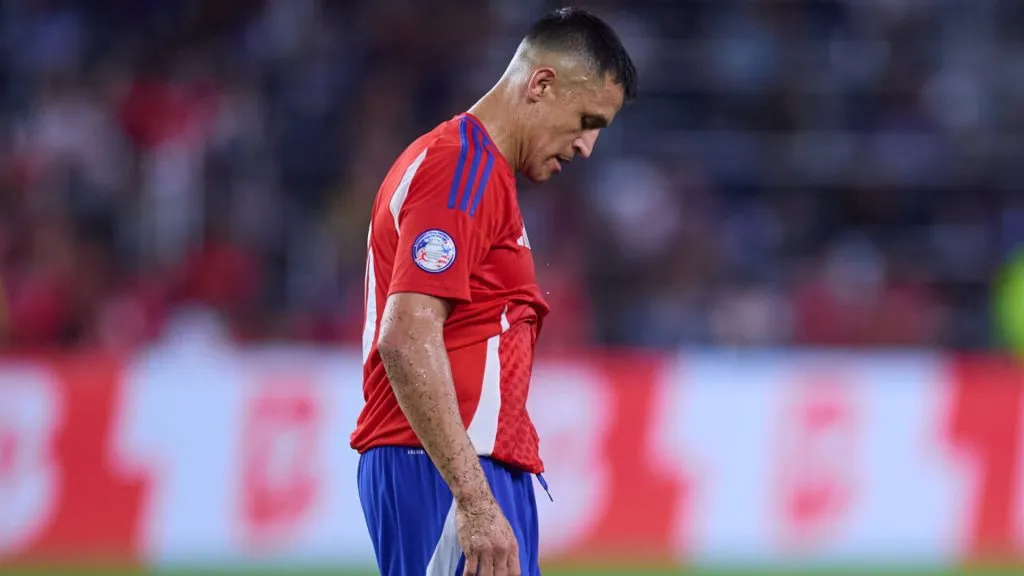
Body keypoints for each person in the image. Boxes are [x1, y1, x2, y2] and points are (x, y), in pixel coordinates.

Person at [350, 7, 637, 576]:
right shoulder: (460, 169)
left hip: (455, 468)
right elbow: (406, 336)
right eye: (586, 120)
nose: (586, 147)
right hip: (443, 471)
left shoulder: (477, 173)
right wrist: (476, 500)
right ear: (542, 84)